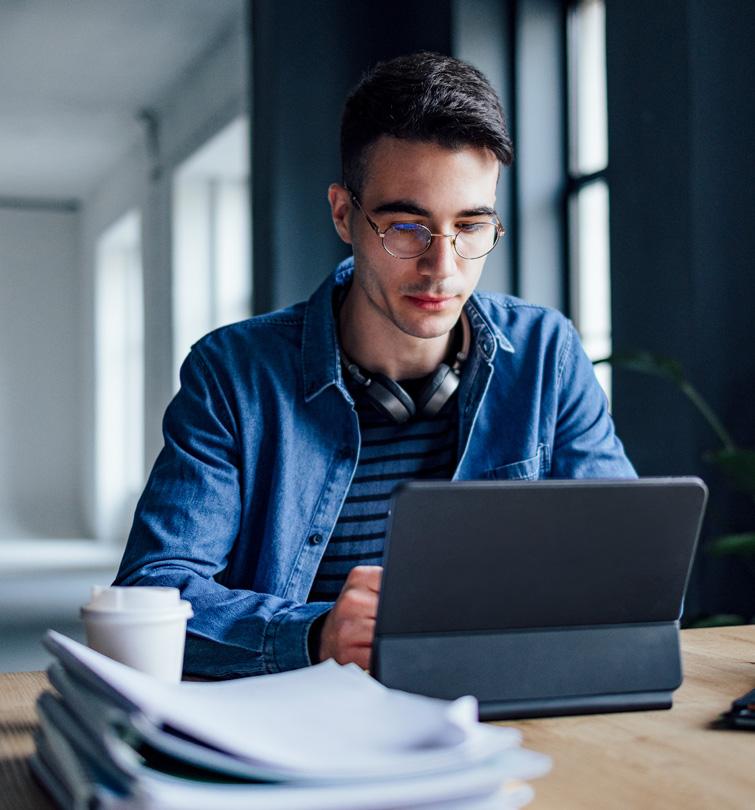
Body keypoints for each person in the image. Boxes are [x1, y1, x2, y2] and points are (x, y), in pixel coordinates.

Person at [115, 52, 635, 678]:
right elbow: (153, 594)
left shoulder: (548, 352)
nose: (443, 267)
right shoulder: (231, 373)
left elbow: (634, 576)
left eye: (471, 226)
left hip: (496, 707)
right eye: (407, 227)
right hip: (301, 712)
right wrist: (313, 635)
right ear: (343, 214)